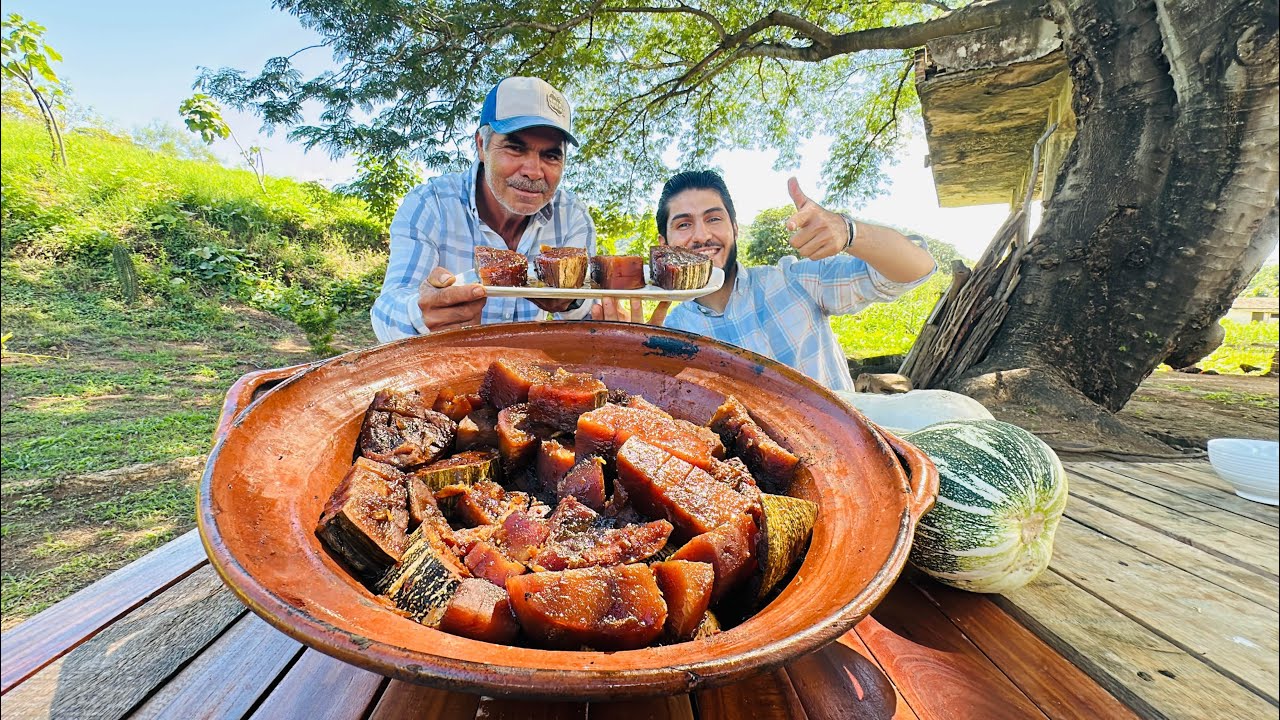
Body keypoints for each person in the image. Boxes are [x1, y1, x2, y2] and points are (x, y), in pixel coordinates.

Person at [652, 170, 935, 392]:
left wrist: (850, 232)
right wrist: (635, 352)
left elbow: (917, 269)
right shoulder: (669, 333)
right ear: (664, 244)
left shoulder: (796, 281)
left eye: (714, 219)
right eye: (684, 224)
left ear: (735, 229)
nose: (702, 236)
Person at [371, 77, 595, 342]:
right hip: (447, 360)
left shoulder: (572, 216)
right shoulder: (431, 204)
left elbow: (589, 316)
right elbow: (386, 312)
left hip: (527, 362)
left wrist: (572, 302)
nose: (534, 172)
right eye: (515, 148)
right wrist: (421, 314)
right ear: (481, 145)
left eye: (551, 155)